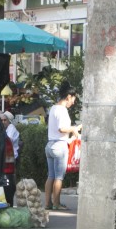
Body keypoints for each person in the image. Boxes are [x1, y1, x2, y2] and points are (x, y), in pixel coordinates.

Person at [44, 82, 81, 211]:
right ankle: (57, 203)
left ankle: (47, 203)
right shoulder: (62, 110)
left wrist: (73, 130)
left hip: (49, 145)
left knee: (51, 176)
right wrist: (73, 129)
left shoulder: (53, 108)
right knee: (59, 177)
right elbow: (62, 129)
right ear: (68, 97)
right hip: (59, 147)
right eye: (73, 99)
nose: (73, 102)